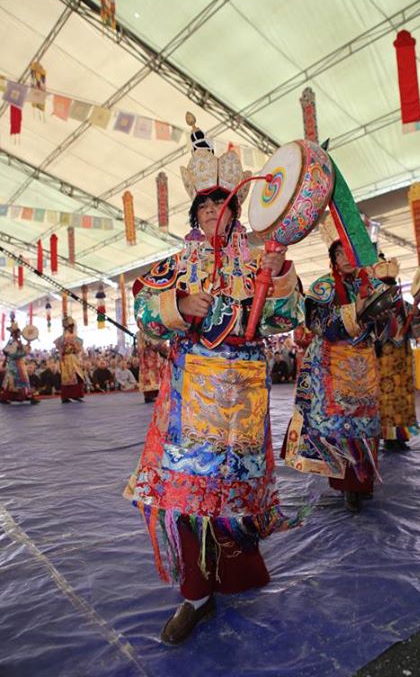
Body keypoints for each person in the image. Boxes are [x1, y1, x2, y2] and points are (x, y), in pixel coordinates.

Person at [124, 115, 303, 645]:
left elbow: (284, 319)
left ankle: (235, 575)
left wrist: (280, 276)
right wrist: (179, 305)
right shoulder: (178, 263)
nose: (211, 212)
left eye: (220, 204)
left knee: (234, 496)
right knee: (185, 496)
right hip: (190, 401)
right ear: (195, 214)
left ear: (234, 212)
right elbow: (144, 313)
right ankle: (196, 596)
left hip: (243, 397)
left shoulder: (258, 261)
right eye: (203, 205)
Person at [282, 239, 383, 514]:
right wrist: (354, 311)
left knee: (365, 423)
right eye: (340, 253)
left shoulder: (370, 284)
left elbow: (385, 325)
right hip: (330, 364)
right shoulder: (322, 287)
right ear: (333, 258)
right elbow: (317, 323)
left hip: (362, 363)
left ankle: (363, 481)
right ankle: (348, 485)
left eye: (350, 252)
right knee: (340, 425)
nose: (346, 258)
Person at [372, 256, 420, 451]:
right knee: (383, 400)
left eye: (391, 286)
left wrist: (417, 314)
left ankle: (400, 436)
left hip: (402, 359)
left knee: (402, 399)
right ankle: (387, 437)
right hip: (381, 360)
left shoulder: (406, 306)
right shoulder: (373, 308)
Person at [0, 321, 40, 405]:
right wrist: (25, 352)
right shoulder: (12, 343)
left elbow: (19, 351)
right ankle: (23, 396)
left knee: (20, 381)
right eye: (17, 332)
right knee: (18, 381)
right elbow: (13, 355)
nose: (19, 334)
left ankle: (22, 396)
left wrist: (27, 346)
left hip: (19, 364)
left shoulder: (17, 342)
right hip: (14, 365)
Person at [54, 317, 85, 403]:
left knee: (77, 376)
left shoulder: (72, 337)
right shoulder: (63, 338)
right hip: (66, 359)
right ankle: (67, 396)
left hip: (72, 358)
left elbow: (78, 349)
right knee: (68, 379)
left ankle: (75, 395)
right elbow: (60, 349)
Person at [136, 330, 168, 403]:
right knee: (152, 376)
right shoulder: (148, 331)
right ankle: (153, 395)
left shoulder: (139, 332)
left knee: (146, 375)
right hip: (151, 358)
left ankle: (148, 396)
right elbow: (155, 344)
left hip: (143, 358)